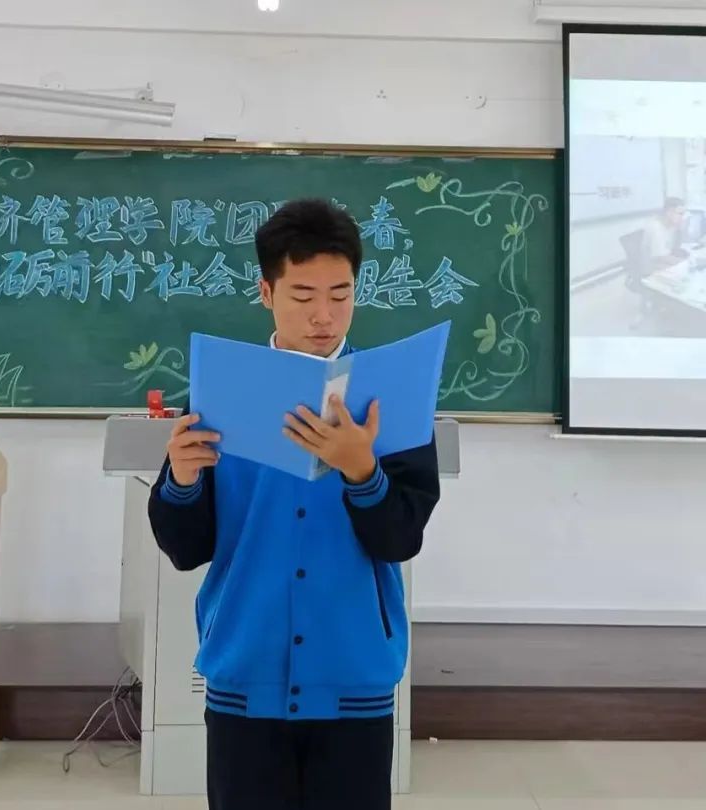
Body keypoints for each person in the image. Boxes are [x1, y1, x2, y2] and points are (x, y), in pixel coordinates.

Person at [147, 198, 441, 810]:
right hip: (245, 671)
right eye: (303, 296)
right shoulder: (220, 396)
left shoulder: (392, 401)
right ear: (266, 292)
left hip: (354, 674)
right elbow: (185, 549)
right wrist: (182, 479)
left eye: (341, 294)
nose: (324, 316)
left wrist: (362, 471)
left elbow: (400, 540)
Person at [639, 197, 687, 275]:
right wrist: (685, 262)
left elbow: (675, 248)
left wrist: (680, 231)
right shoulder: (656, 227)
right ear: (669, 212)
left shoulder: (671, 225)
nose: (683, 218)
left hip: (664, 264)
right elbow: (660, 258)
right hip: (652, 271)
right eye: (680, 214)